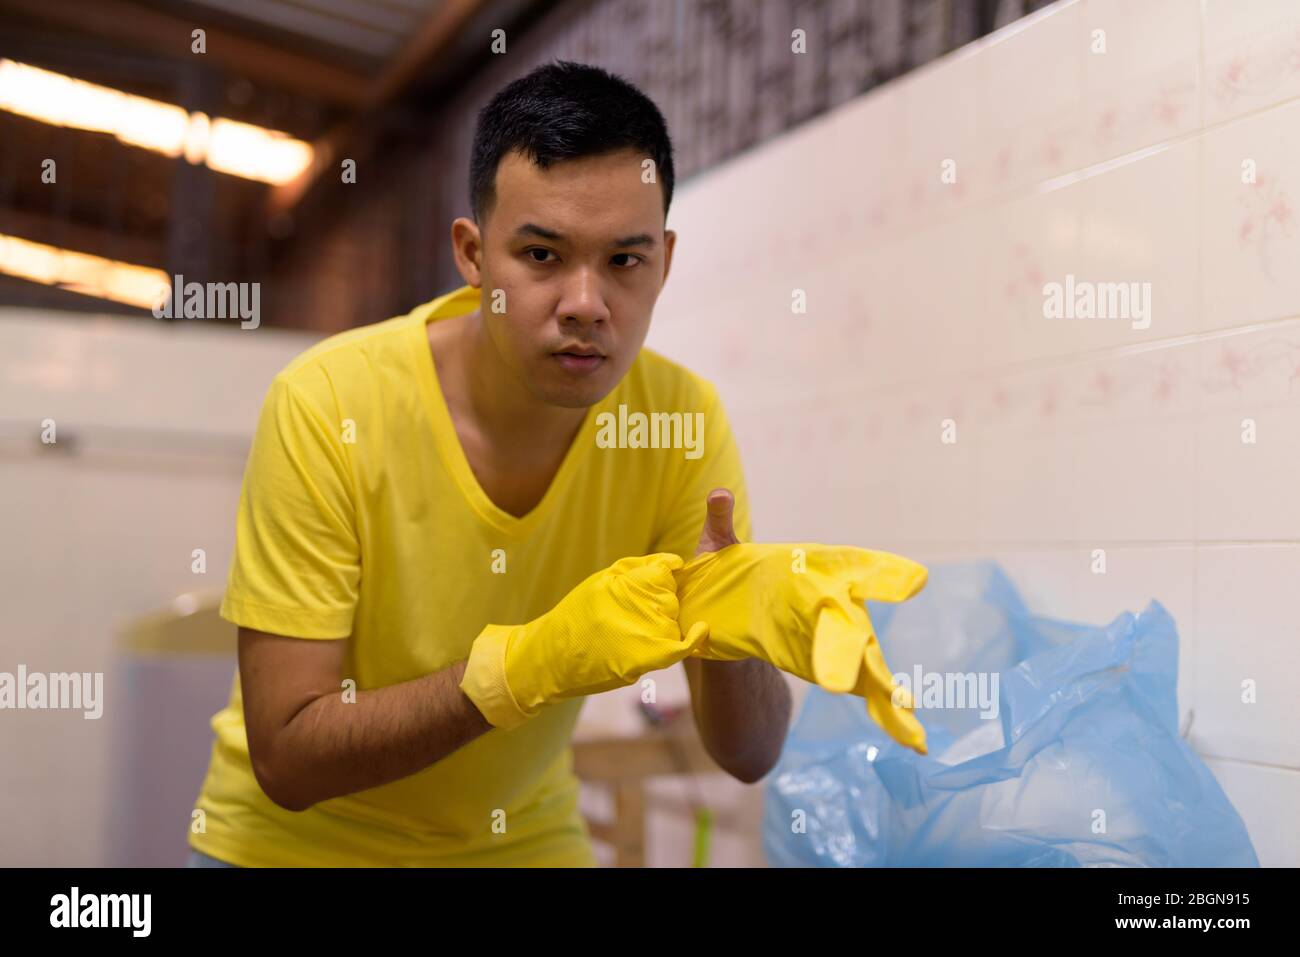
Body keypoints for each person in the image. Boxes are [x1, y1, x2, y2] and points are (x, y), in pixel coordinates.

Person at [187, 60, 792, 867]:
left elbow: (748, 754)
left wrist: (739, 624)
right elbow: (288, 754)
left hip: (519, 839)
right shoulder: (328, 402)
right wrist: (522, 667)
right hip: (291, 847)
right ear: (473, 256)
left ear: (665, 261)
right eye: (542, 256)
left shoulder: (680, 422)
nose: (586, 301)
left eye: (625, 260)